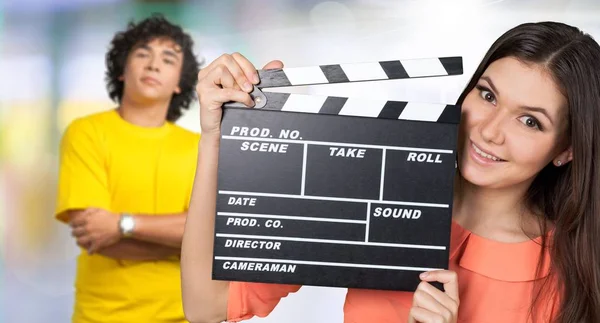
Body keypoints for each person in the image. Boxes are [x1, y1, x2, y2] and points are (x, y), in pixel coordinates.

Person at [180, 21, 600, 323]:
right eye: (488, 95)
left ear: (566, 150)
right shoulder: (374, 190)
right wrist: (215, 138)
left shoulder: (571, 275)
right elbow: (206, 306)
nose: (490, 131)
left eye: (530, 122)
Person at [55, 14, 201, 323]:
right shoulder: (86, 132)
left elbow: (211, 235)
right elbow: (93, 235)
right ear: (123, 70)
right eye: (142, 53)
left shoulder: (201, 147)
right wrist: (185, 244)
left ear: (179, 83)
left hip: (184, 313)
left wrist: (122, 224)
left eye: (168, 58)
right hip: (102, 315)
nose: (153, 64)